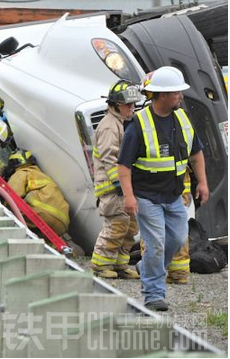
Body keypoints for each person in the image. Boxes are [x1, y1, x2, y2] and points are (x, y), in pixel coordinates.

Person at [118, 66, 209, 311]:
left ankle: (147, 268)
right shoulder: (138, 125)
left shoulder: (182, 119)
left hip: (174, 196)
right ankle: (153, 295)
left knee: (179, 239)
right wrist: (128, 196)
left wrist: (202, 182)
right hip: (147, 197)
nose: (180, 96)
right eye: (176, 92)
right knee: (156, 243)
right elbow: (124, 166)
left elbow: (196, 153)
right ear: (162, 95)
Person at [90, 80, 143, 279]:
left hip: (125, 187)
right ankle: (100, 264)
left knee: (130, 227)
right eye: (127, 104)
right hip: (112, 189)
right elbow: (110, 159)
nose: (132, 108)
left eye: (133, 104)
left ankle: (120, 264)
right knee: (117, 225)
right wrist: (121, 186)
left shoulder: (125, 122)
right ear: (114, 104)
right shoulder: (110, 127)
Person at [7, 148, 70, 236]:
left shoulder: (22, 172)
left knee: (12, 209)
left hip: (44, 217)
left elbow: (10, 196)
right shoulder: (42, 175)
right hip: (63, 223)